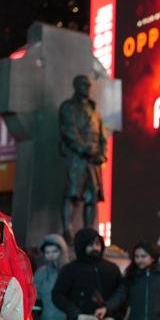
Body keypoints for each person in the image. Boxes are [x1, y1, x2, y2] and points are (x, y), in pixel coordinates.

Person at [52, 227, 122, 320]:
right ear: (81, 245)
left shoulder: (111, 269)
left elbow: (121, 294)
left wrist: (111, 311)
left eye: (97, 244)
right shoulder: (70, 270)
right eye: (90, 244)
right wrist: (76, 314)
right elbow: (58, 295)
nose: (95, 248)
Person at [59, 74, 108, 237]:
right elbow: (68, 131)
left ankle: (88, 233)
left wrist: (102, 153)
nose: (87, 88)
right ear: (76, 86)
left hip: (93, 161)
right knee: (72, 194)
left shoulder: (94, 110)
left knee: (91, 197)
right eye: (83, 85)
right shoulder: (68, 107)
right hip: (77, 158)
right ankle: (67, 231)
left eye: (88, 85)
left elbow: (102, 136)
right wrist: (83, 149)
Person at [33, 234, 71, 320]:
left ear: (62, 251)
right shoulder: (41, 273)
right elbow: (36, 299)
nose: (51, 256)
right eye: (47, 252)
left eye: (55, 251)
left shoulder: (70, 271)